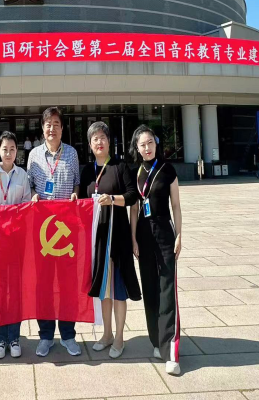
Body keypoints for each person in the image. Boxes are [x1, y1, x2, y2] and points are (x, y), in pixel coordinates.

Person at [79, 121, 141, 359]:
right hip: (97, 238)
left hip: (118, 236)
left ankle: (119, 338)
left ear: (109, 142)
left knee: (118, 288)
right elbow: (81, 200)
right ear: (90, 144)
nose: (99, 142)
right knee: (104, 288)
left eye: (103, 138)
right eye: (95, 139)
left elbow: (132, 196)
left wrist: (112, 199)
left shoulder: (120, 166)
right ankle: (106, 334)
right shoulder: (87, 171)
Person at [27, 106, 82, 357]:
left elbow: (77, 183)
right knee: (44, 284)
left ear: (62, 128)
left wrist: (76, 195)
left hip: (66, 230)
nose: (52, 128)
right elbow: (29, 186)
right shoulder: (33, 155)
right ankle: (46, 335)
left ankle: (68, 335)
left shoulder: (71, 153)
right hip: (42, 231)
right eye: (48, 124)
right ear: (42, 128)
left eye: (56, 124)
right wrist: (33, 195)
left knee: (68, 284)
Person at [131, 124, 183, 376]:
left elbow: (176, 206)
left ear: (156, 144)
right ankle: (157, 341)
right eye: (142, 144)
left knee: (167, 289)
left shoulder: (168, 170)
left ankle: (171, 352)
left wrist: (180, 235)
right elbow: (134, 209)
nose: (147, 147)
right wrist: (133, 238)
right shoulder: (136, 172)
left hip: (164, 233)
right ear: (137, 148)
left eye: (150, 142)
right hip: (143, 234)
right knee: (150, 290)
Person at [0, 131, 32, 360]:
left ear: (17, 152)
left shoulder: (22, 175)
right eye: (5, 149)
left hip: (16, 240)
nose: (9, 153)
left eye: (13, 149)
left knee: (15, 290)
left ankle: (14, 337)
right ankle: (0, 338)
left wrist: (12, 218)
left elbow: (26, 204)